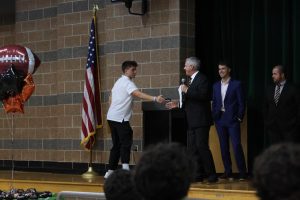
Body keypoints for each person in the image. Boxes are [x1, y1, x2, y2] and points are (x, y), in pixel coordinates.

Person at [104, 60, 165, 179]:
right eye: (133, 69)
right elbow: (138, 94)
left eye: (135, 69)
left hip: (111, 117)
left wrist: (114, 110)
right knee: (126, 142)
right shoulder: (127, 82)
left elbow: (110, 99)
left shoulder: (118, 82)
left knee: (116, 144)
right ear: (126, 70)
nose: (135, 72)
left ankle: (110, 171)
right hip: (120, 118)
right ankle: (125, 169)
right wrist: (155, 98)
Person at [166, 57, 217, 183]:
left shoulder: (202, 79)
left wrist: (187, 90)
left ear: (192, 67)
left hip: (201, 120)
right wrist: (177, 105)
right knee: (192, 149)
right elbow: (189, 101)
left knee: (202, 146)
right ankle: (197, 174)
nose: (184, 68)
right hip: (191, 120)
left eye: (185, 66)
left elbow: (203, 96)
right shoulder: (189, 81)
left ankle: (212, 174)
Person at [212, 61, 247, 181]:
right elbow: (215, 102)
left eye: (223, 68)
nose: (220, 71)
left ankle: (242, 172)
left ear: (229, 70)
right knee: (223, 146)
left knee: (236, 145)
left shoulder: (237, 84)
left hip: (232, 119)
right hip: (220, 120)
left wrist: (239, 117)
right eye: (219, 69)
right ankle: (228, 172)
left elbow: (242, 103)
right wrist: (215, 115)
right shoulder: (215, 85)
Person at [264, 65, 300, 145]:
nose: (272, 76)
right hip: (273, 128)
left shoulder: (293, 89)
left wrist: (295, 124)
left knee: (289, 154)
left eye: (275, 74)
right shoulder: (269, 89)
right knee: (275, 154)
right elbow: (266, 107)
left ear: (282, 75)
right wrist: (267, 122)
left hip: (289, 129)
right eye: (272, 74)